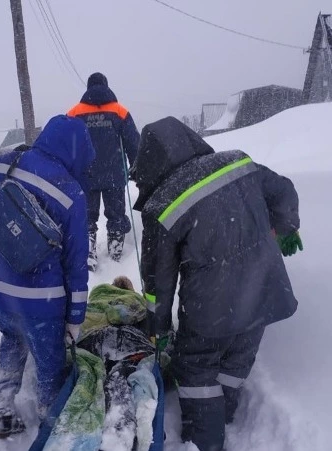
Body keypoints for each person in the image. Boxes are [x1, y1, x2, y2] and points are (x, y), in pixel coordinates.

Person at [131, 117, 303, 451]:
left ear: (150, 164)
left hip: (210, 309)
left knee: (196, 371)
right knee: (236, 361)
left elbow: (158, 281)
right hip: (265, 292)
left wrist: (158, 324)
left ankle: (205, 442)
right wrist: (285, 226)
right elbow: (284, 191)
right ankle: (224, 416)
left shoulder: (162, 205)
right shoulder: (238, 161)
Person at [0, 115, 95, 438]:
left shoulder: (1, 165)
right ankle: (49, 422)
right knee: (49, 363)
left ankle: (5, 405)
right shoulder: (71, 193)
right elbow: (75, 264)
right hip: (42, 302)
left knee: (12, 337)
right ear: (78, 152)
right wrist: (75, 317)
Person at [67, 72, 140, 271]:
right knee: (116, 215)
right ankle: (116, 248)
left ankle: (88, 248)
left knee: (86, 216)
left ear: (88, 88)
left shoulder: (74, 113)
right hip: (114, 175)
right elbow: (134, 143)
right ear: (106, 86)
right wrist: (137, 169)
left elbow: (65, 142)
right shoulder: (119, 111)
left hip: (85, 175)